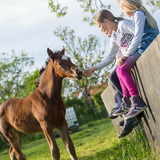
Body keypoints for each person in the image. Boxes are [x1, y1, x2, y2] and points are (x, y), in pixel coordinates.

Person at [84, 9, 135, 120]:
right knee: (113, 75)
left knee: (116, 74)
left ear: (106, 21)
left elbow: (139, 33)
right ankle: (127, 105)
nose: (102, 31)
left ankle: (131, 103)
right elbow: (110, 58)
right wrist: (93, 68)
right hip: (127, 58)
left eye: (100, 27)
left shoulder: (123, 25)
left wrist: (127, 54)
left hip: (134, 53)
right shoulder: (115, 37)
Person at [113, 0, 159, 121]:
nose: (122, 12)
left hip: (146, 44)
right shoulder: (140, 13)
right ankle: (128, 100)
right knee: (119, 70)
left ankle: (136, 100)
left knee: (122, 69)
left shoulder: (138, 13)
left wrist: (126, 55)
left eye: (122, 8)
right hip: (143, 44)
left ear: (126, 6)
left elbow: (138, 36)